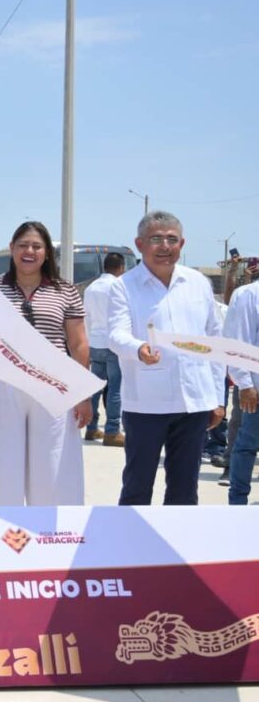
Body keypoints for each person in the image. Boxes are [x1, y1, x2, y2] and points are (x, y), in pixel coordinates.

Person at [0, 221, 91, 506]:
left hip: (53, 385)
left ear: (47, 253)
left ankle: (52, 530)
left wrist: (82, 394)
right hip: (4, 382)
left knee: (55, 469)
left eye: (37, 246)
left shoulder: (65, 291)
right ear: (11, 249)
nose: (29, 251)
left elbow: (78, 344)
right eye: (23, 245)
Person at [108, 211, 224, 506]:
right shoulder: (123, 286)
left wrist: (217, 398)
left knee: (185, 488)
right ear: (139, 244)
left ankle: (178, 537)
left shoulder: (197, 282)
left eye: (172, 239)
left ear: (182, 244)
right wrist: (138, 348)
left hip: (194, 402)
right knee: (137, 485)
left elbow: (214, 341)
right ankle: (131, 536)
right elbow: (116, 334)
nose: (164, 246)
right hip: (147, 403)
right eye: (156, 239)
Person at [224, 265, 259, 505]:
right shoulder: (248, 295)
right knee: (247, 446)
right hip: (255, 387)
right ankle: (238, 504)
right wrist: (245, 384)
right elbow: (236, 342)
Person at [83, 252, 126, 446]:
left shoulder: (91, 287)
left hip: (95, 342)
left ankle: (91, 428)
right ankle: (112, 431)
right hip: (113, 344)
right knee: (115, 388)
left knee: (95, 388)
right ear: (121, 268)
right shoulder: (119, 286)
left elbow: (86, 317)